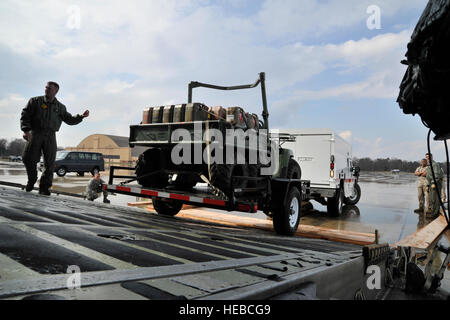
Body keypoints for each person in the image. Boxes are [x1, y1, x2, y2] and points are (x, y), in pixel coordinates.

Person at [20, 81, 89, 195]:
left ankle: (44, 188)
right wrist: (26, 130)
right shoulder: (35, 101)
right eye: (46, 87)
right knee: (28, 158)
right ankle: (32, 180)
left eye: (49, 88)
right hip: (35, 133)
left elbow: (69, 119)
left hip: (50, 135)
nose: (46, 89)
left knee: (50, 163)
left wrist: (81, 116)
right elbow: (25, 115)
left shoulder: (60, 107)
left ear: (56, 91)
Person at [425, 153, 444, 218]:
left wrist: (433, 183)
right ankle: (433, 212)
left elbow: (436, 175)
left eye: (429, 157)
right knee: (432, 199)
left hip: (436, 183)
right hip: (431, 183)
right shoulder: (429, 166)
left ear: (432, 157)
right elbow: (428, 176)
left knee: (436, 199)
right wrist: (427, 185)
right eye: (426, 157)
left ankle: (435, 214)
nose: (427, 158)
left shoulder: (435, 164)